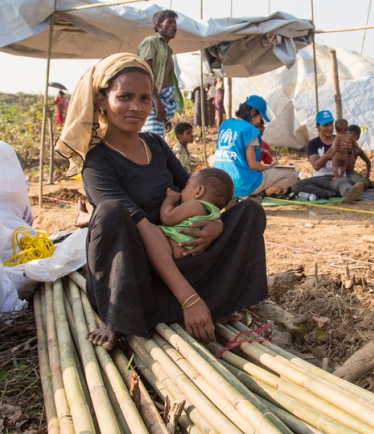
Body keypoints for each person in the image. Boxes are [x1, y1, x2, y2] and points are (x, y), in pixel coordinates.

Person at [55, 52, 267, 348]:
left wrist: (216, 224)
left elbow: (196, 190)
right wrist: (189, 299)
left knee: (248, 212)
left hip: (181, 252)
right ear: (102, 100)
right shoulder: (98, 161)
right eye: (124, 97)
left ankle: (217, 300)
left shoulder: (155, 144)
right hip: (137, 274)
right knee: (111, 213)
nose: (136, 107)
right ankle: (123, 317)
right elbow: (145, 228)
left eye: (144, 99)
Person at [214, 95, 298, 198]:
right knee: (291, 173)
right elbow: (253, 165)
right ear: (252, 112)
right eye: (260, 117)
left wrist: (262, 150)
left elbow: (234, 150)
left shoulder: (225, 124)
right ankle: (259, 196)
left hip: (221, 180)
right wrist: (271, 166)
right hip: (242, 183)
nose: (259, 121)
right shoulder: (249, 129)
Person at [151, 168, 233, 259]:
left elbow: (167, 217)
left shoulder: (195, 205)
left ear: (199, 191)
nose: (182, 189)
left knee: (147, 227)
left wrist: (170, 199)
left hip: (170, 246)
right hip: (184, 253)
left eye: (187, 185)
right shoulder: (213, 213)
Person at [288, 110, 366, 203]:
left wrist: (349, 152)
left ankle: (347, 193)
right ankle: (332, 193)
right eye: (325, 125)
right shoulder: (312, 144)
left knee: (344, 181)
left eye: (331, 124)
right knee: (297, 186)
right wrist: (331, 150)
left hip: (337, 179)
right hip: (319, 179)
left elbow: (350, 167)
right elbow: (316, 166)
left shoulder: (342, 139)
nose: (329, 128)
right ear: (317, 127)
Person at [138, 10, 184, 135]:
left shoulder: (167, 49)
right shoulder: (151, 42)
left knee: (156, 144)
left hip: (160, 101)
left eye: (175, 23)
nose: (174, 26)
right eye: (169, 22)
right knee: (152, 143)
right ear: (158, 25)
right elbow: (144, 74)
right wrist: (157, 102)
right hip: (152, 101)